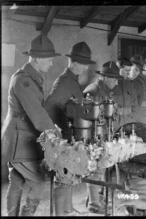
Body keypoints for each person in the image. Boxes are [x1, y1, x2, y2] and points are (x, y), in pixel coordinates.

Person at [1, 34, 61, 216]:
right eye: (49, 60)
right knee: (38, 183)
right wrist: (55, 132)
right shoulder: (23, 80)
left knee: (16, 182)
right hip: (20, 141)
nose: (51, 64)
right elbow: (37, 114)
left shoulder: (30, 77)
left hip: (17, 138)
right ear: (36, 59)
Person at [44, 41, 96, 216]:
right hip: (63, 139)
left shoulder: (73, 81)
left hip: (70, 137)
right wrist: (62, 128)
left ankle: (67, 210)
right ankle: (61, 213)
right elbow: (50, 105)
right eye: (83, 64)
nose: (85, 68)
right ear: (73, 62)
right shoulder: (65, 81)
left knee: (70, 175)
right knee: (63, 177)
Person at [83, 61, 124, 214]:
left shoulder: (103, 90)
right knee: (95, 170)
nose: (116, 81)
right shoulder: (94, 91)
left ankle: (95, 198)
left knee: (101, 168)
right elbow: (90, 119)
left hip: (101, 134)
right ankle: (94, 203)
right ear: (106, 78)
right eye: (114, 78)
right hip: (93, 137)